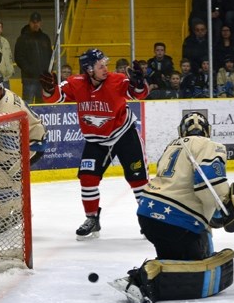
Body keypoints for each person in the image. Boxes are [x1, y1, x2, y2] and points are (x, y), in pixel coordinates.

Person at [109, 112, 234, 303]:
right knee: (199, 266)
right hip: (178, 222)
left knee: (175, 259)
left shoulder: (172, 146)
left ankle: (152, 272)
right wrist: (224, 211)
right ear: (208, 130)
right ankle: (143, 278)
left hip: (148, 214)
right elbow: (208, 183)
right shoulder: (212, 146)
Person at [38, 49, 150, 240]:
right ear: (89, 69)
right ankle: (92, 219)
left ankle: (149, 221)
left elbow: (138, 94)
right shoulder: (77, 83)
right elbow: (55, 97)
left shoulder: (117, 80)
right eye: (100, 66)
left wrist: (139, 82)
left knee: (138, 180)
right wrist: (49, 88)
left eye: (105, 64)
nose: (105, 69)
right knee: (88, 179)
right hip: (96, 140)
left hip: (124, 135)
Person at [0, 70, 47, 233]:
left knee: (3, 175)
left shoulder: (6, 108)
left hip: (32, 144)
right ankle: (18, 213)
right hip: (25, 141)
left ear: (1, 87)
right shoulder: (0, 98)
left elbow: (10, 149)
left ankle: (10, 216)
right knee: (10, 175)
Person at [14, 12, 53, 104]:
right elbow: (19, 57)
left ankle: (41, 119)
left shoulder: (45, 38)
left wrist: (47, 71)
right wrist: (29, 70)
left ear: (40, 23)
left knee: (42, 104)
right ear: (29, 22)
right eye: (33, 22)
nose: (35, 24)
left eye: (37, 22)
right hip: (29, 79)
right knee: (28, 103)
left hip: (43, 79)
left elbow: (50, 55)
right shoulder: (22, 39)